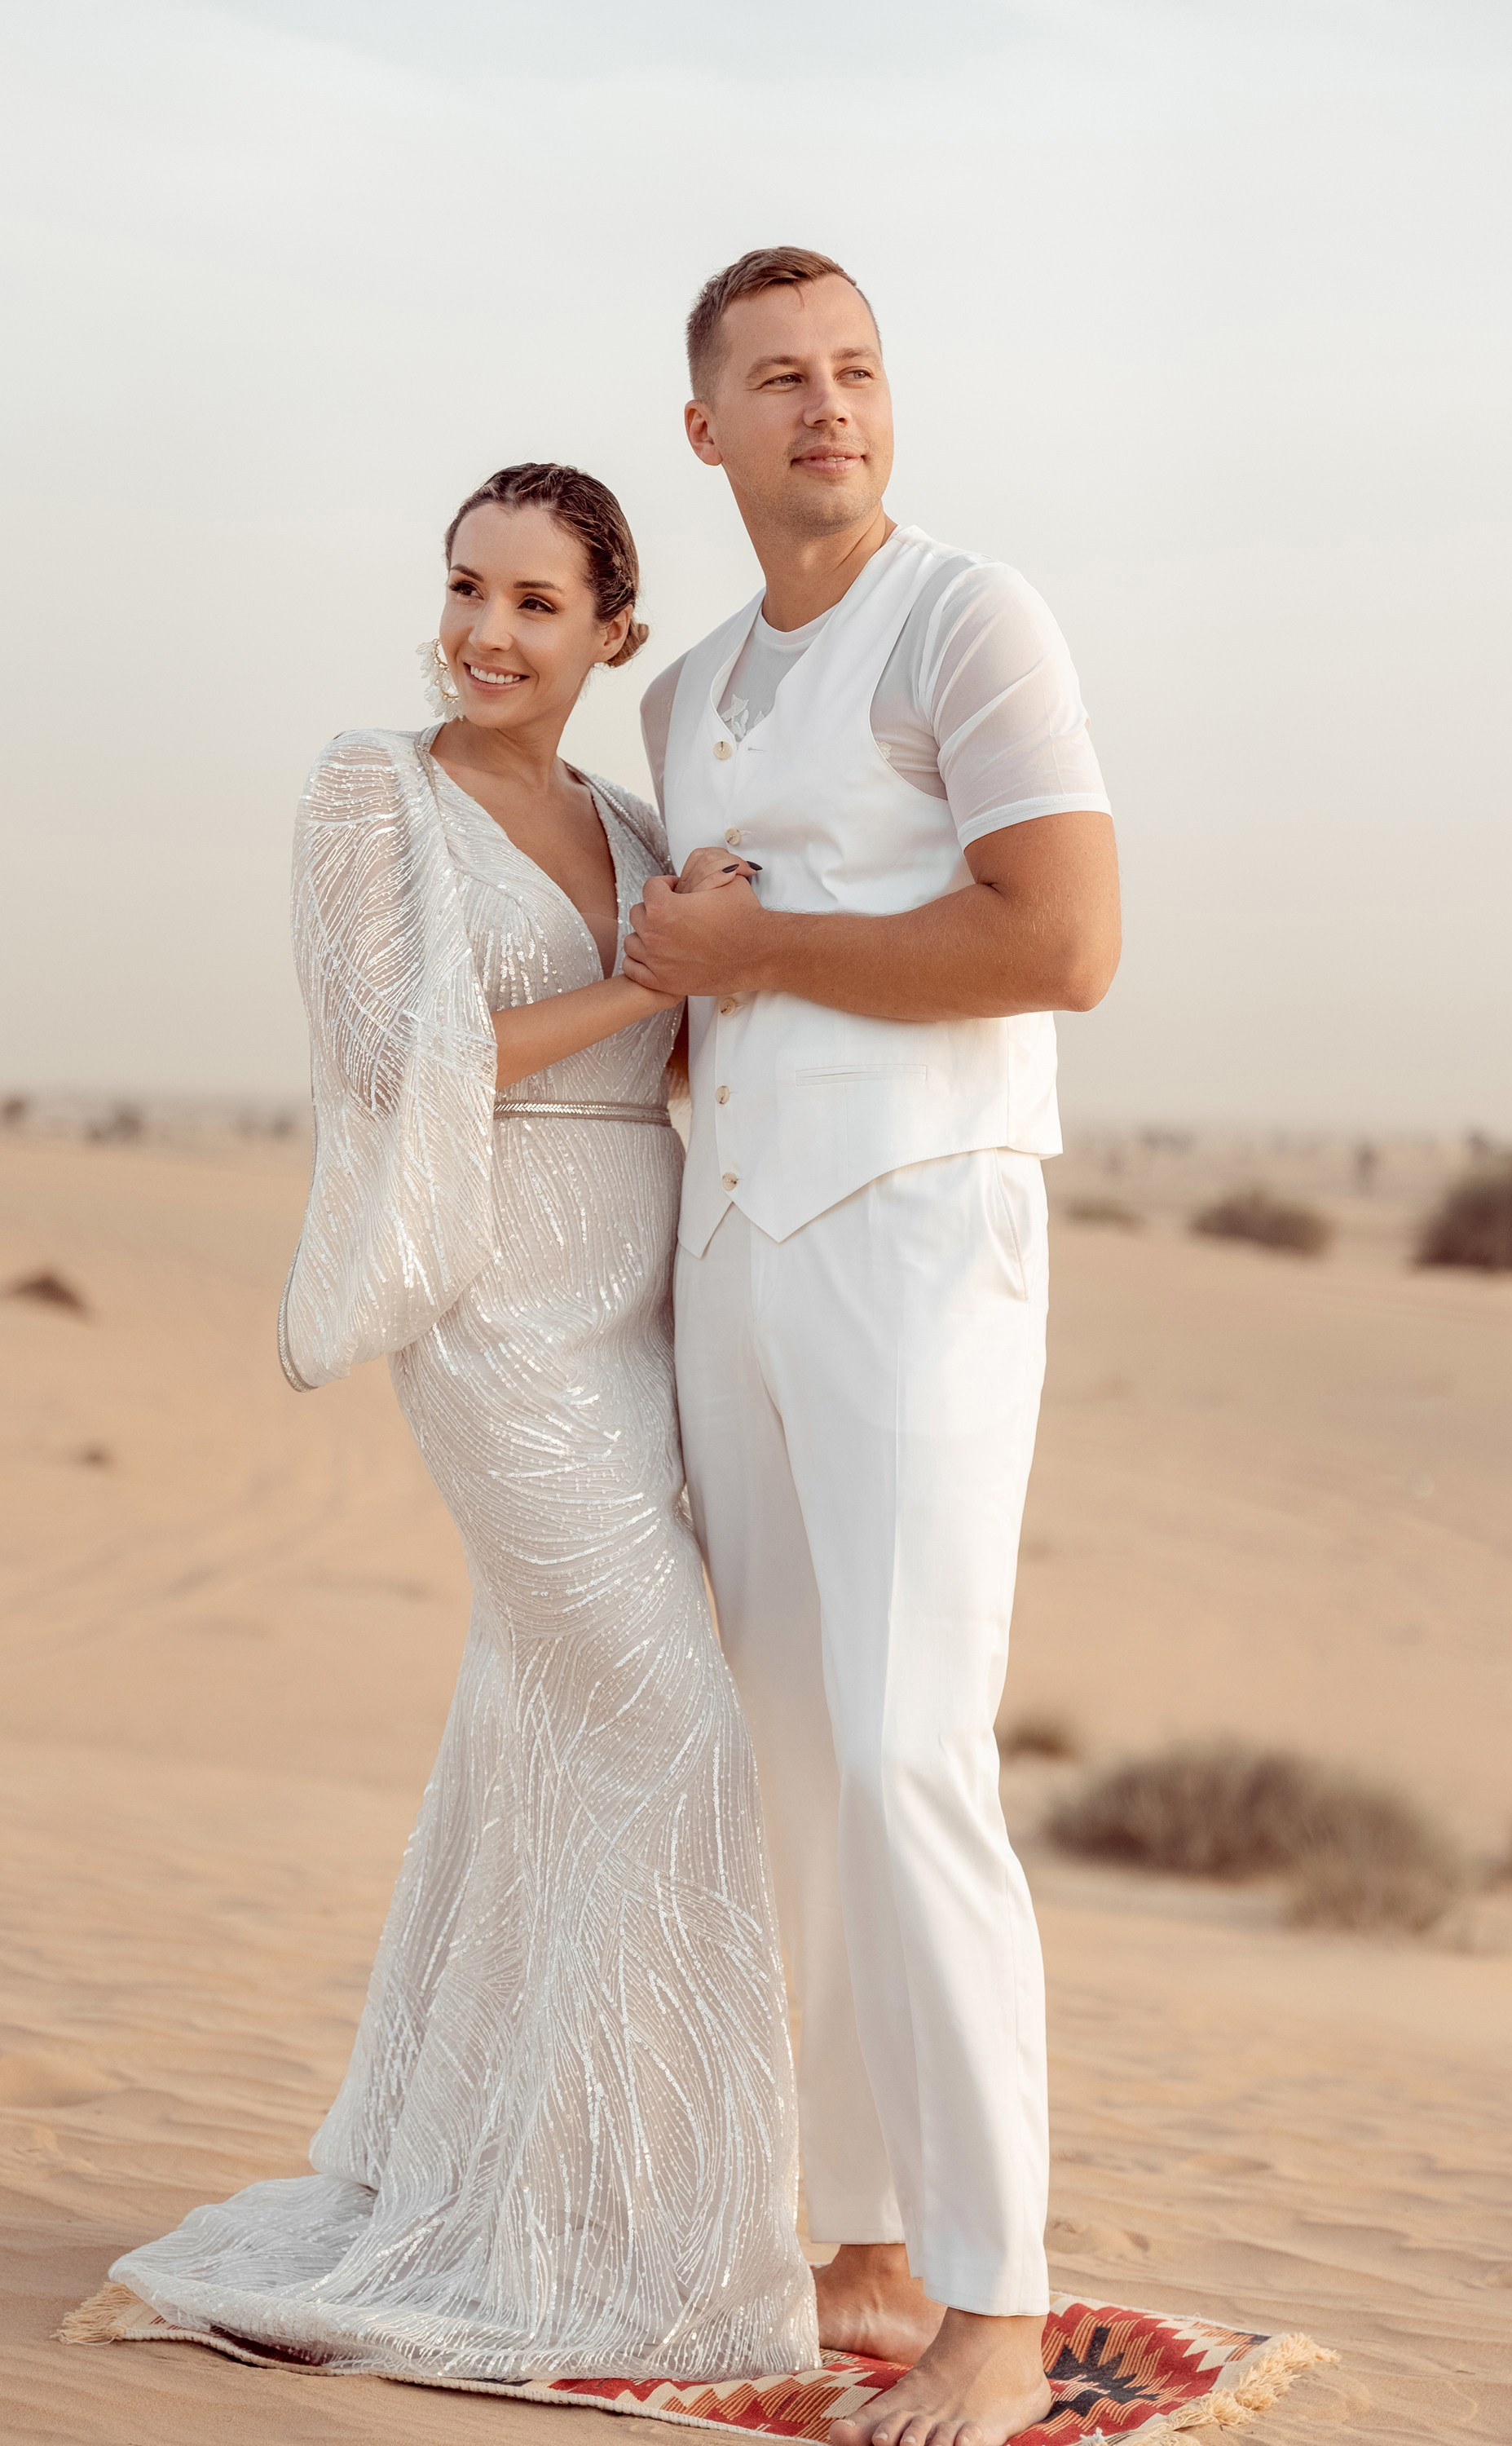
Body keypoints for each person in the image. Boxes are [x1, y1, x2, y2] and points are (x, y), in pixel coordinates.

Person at [98, 462, 818, 2386]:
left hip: (648, 1294)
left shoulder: (638, 819)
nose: (483, 635)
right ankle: (653, 2243)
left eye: (530, 605)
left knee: (541, 1733)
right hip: (495, 1309)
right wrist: (643, 977)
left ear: (610, 634)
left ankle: (524, 2178)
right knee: (668, 1724)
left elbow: (716, 1026)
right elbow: (387, 1058)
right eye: (462, 590)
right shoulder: (373, 789)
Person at [628, 248, 1122, 2446]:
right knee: (793, 1756)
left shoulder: (969, 620)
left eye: (857, 372)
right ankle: (857, 2231)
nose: (829, 408)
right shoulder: (690, 689)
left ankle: (999, 2299)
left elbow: (1064, 940)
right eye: (778, 381)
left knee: (918, 1743)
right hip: (733, 1240)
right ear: (706, 429)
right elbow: (699, 980)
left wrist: (763, 950)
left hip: (922, 1235)